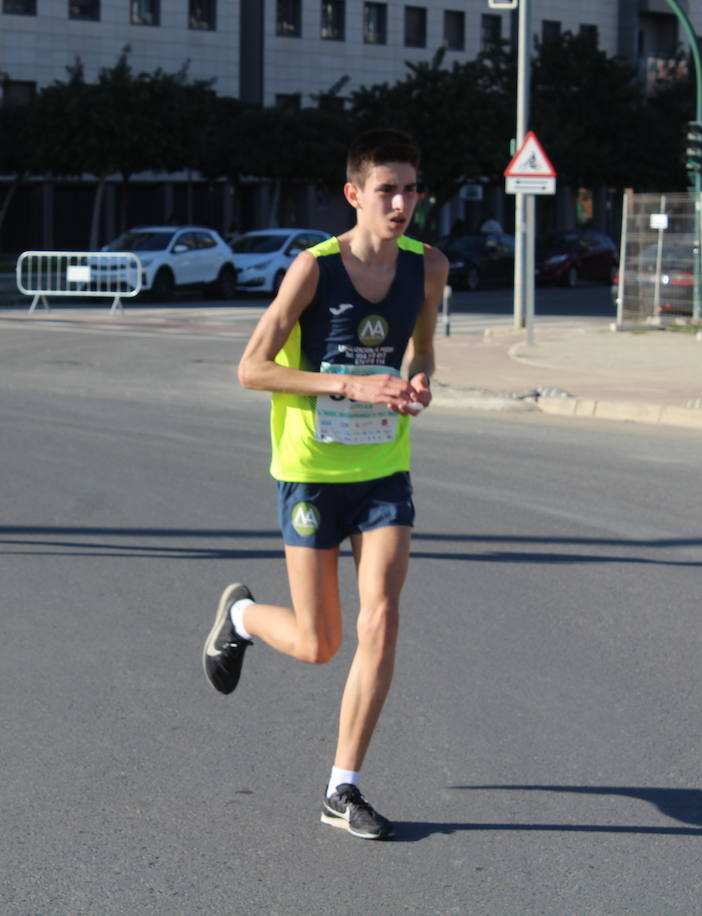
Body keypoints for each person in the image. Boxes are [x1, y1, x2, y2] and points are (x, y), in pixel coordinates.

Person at [203, 129, 448, 841]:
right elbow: (251, 368)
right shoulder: (313, 269)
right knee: (318, 643)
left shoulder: (427, 266)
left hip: (381, 470)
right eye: (387, 190)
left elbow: (424, 344)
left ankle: (343, 789)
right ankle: (242, 618)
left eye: (410, 188)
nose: (401, 202)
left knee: (383, 618)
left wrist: (421, 377)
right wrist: (349, 383)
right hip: (311, 471)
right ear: (354, 195)